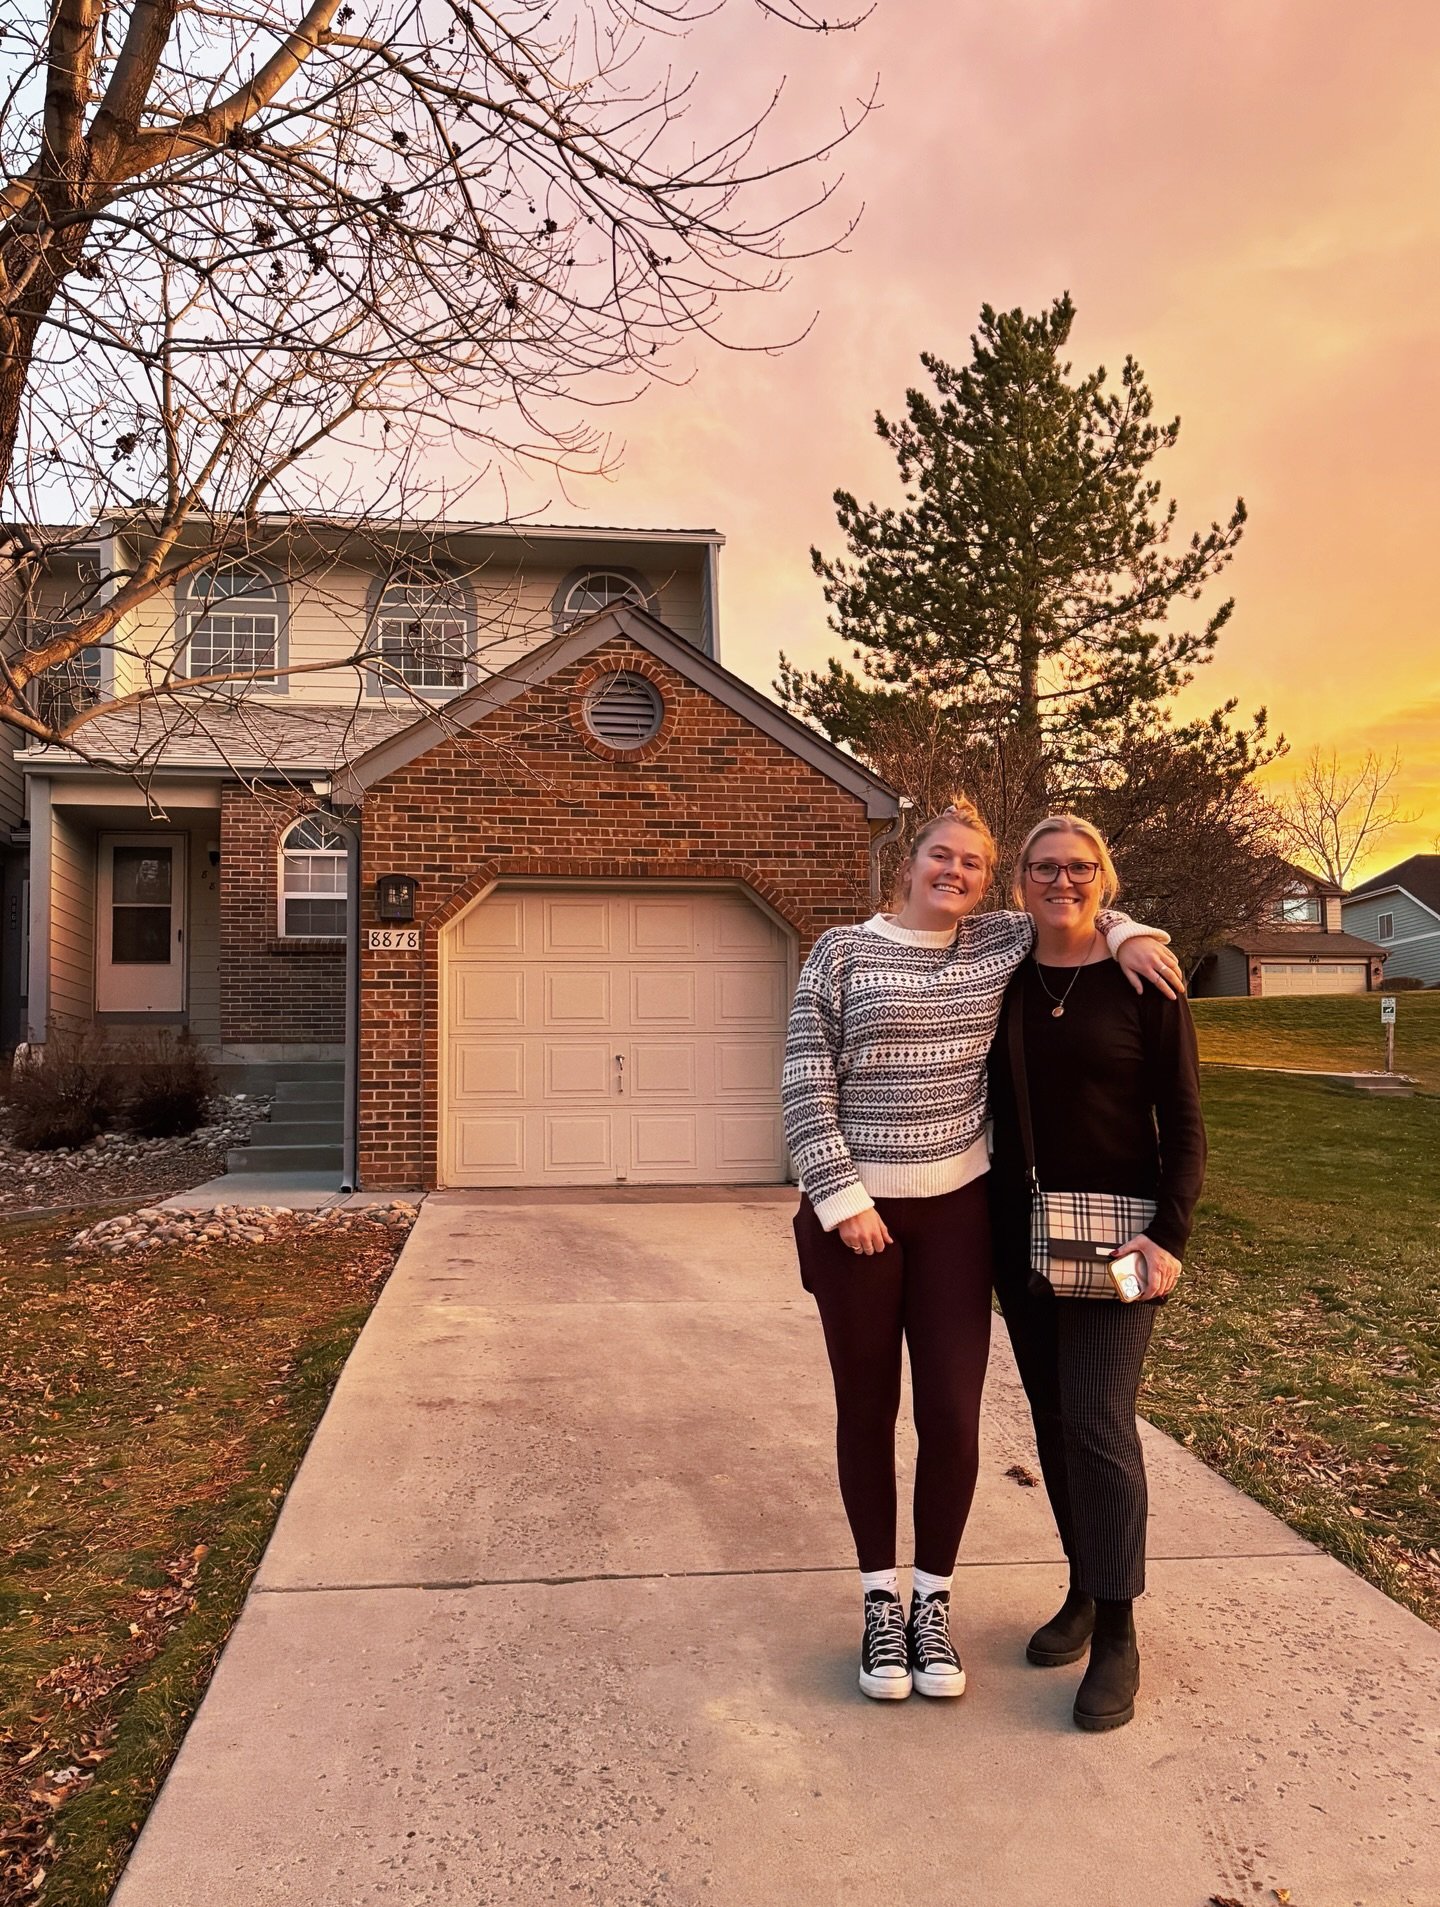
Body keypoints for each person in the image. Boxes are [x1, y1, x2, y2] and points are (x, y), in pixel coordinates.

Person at [781, 798, 1184, 1703]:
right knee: (867, 1411)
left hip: (960, 1212)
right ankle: (880, 1600)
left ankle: (934, 1604)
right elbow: (806, 1081)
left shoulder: (993, 941)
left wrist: (1127, 934)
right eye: (941, 855)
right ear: (910, 859)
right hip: (859, 1220)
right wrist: (842, 1197)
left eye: (971, 861)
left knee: (955, 1418)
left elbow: (1078, 903)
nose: (954, 871)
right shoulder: (841, 951)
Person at [988, 813, 1206, 1732]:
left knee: (1102, 1421)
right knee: (1052, 1419)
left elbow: (1186, 1125)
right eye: (1044, 866)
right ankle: (1083, 1583)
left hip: (1123, 1241)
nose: (1062, 881)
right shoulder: (996, 977)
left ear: (1104, 878)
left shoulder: (1147, 982)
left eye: (1080, 868)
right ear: (1022, 880)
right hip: (1020, 1237)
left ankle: (1117, 1627)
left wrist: (1170, 1237)